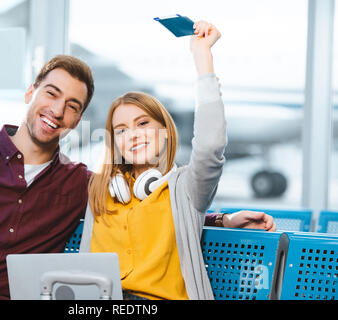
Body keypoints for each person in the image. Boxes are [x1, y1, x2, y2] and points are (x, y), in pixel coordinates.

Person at [0, 40, 273, 300]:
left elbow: (156, 201)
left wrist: (220, 219)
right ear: (31, 93)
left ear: (78, 120)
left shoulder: (81, 185)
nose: (57, 111)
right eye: (51, 94)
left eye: (72, 106)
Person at [80, 21, 275, 301]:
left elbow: (210, 145)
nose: (133, 135)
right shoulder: (100, 190)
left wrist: (203, 59)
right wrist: (220, 220)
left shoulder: (184, 188)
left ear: (165, 132)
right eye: (121, 130)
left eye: (143, 123)